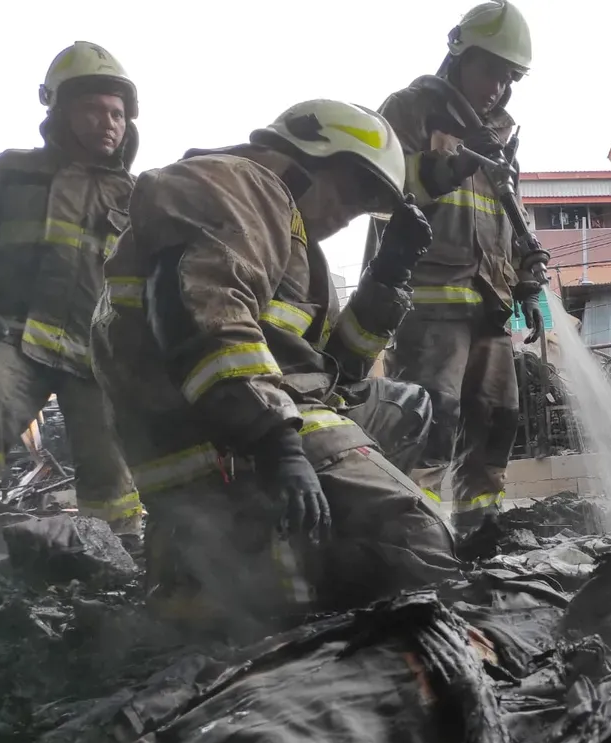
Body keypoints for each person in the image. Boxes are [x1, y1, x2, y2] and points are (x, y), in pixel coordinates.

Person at [90, 99, 459, 623]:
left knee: (406, 405)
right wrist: (279, 446)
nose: (347, 216)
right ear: (307, 153)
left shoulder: (291, 238)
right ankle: (272, 567)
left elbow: (331, 370)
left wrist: (388, 277)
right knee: (419, 545)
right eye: (353, 192)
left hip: (264, 412)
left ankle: (318, 540)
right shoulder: (240, 183)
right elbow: (201, 317)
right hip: (220, 436)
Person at [379, 0, 551, 535]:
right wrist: (455, 164)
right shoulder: (411, 111)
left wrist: (528, 276)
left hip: (490, 301)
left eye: (508, 78)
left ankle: (481, 533)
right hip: (430, 299)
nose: (497, 88)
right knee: (432, 420)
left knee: (498, 419)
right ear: (459, 54)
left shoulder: (500, 134)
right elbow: (386, 190)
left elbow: (511, 212)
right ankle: (420, 538)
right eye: (490, 71)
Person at [0, 41, 142, 541]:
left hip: (95, 356)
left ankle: (120, 557)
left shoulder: (135, 197)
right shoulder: (9, 172)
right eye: (92, 108)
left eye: (116, 113)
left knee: (111, 461)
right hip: (16, 336)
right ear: (58, 110)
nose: (108, 122)